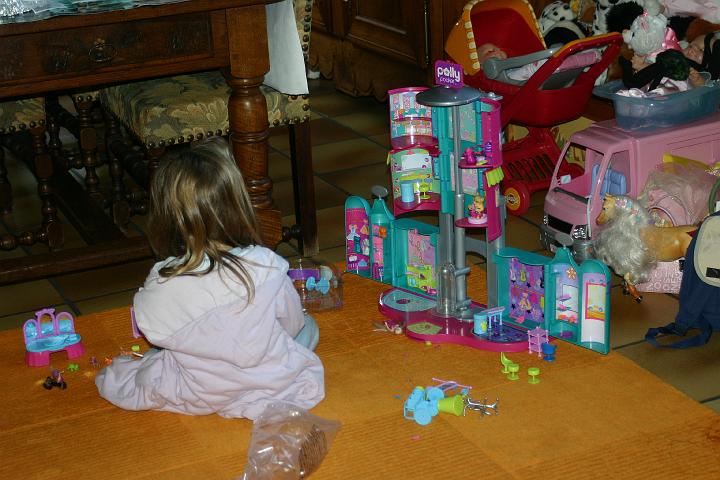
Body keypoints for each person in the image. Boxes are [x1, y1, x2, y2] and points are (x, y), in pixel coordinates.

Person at [95, 138, 324, 420]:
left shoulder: (162, 283)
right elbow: (292, 323)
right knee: (308, 327)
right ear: (239, 206)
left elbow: (153, 331)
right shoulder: (264, 265)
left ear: (166, 218)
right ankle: (251, 384)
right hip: (271, 379)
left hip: (201, 390)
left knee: (152, 365)